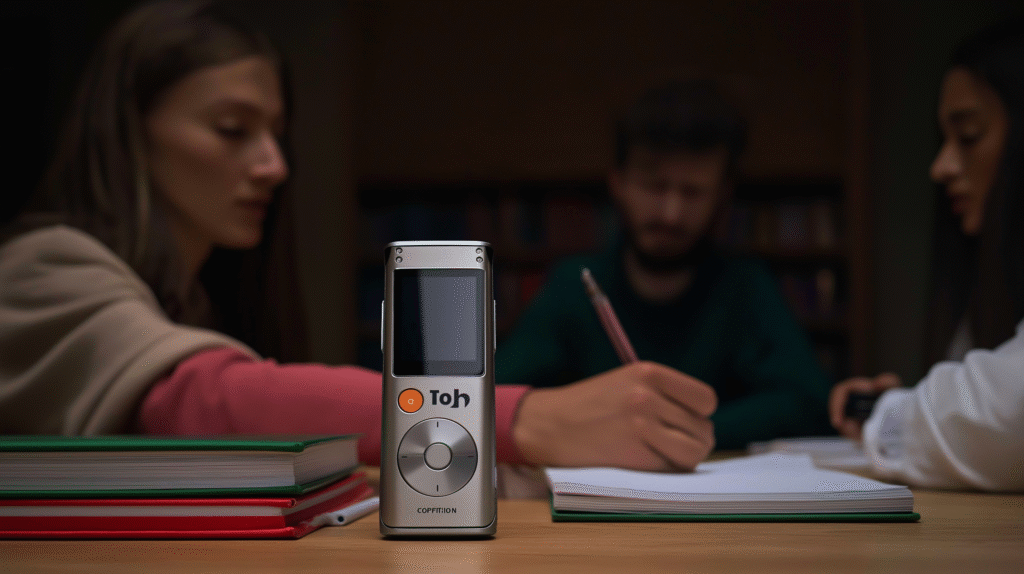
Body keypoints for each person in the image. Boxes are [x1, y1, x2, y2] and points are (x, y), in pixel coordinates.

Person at [0, 0, 716, 472]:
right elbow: (197, 404)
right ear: (130, 134)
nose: (275, 166)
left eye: (276, 135)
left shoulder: (192, 300)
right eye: (231, 130)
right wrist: (529, 418)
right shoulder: (40, 267)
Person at [498, 81, 834, 452]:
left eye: (692, 192)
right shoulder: (572, 285)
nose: (671, 213)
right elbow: (493, 398)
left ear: (722, 194)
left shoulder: (745, 286)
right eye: (654, 186)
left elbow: (809, 403)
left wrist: (682, 432)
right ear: (619, 183)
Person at [829, 20, 1023, 491]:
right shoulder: (983, 293)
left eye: (970, 136)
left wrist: (889, 413)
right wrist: (904, 404)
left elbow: (1010, 413)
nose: (941, 167)